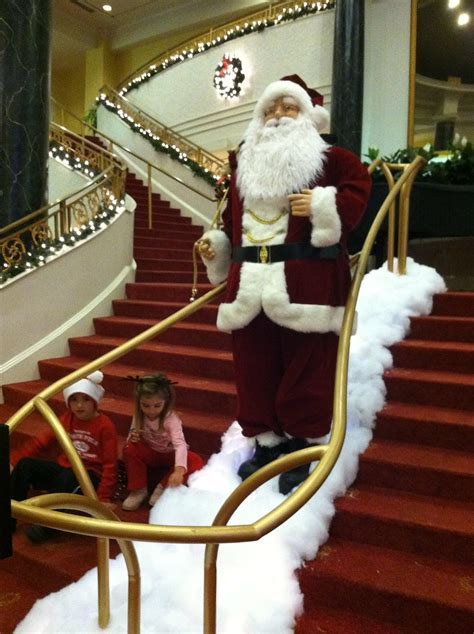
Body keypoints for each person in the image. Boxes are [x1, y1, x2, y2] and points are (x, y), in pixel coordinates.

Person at [198, 75, 371, 494]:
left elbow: (358, 194)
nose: (277, 116)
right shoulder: (244, 165)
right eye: (270, 109)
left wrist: (321, 203)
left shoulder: (334, 160)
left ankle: (301, 443)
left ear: (308, 115)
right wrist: (217, 248)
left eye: (288, 108)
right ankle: (266, 441)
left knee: (306, 365)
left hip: (306, 285)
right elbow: (231, 223)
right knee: (253, 367)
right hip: (249, 286)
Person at [10, 371, 118, 542]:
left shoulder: (105, 426)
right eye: (74, 400)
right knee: (25, 465)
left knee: (67, 478)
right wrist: (14, 461)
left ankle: (48, 525)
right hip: (66, 468)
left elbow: (110, 464)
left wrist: (103, 498)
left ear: (95, 401)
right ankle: (9, 516)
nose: (79, 405)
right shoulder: (66, 419)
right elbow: (42, 440)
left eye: (85, 399)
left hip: (89, 476)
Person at [121, 373, 204, 510]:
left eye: (157, 405)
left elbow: (180, 444)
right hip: (151, 452)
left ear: (166, 402)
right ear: (138, 403)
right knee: (129, 447)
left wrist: (178, 471)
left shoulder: (171, 419)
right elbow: (131, 434)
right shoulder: (139, 415)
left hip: (169, 454)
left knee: (195, 460)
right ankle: (138, 490)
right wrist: (133, 437)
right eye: (145, 405)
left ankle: (163, 488)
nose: (151, 410)